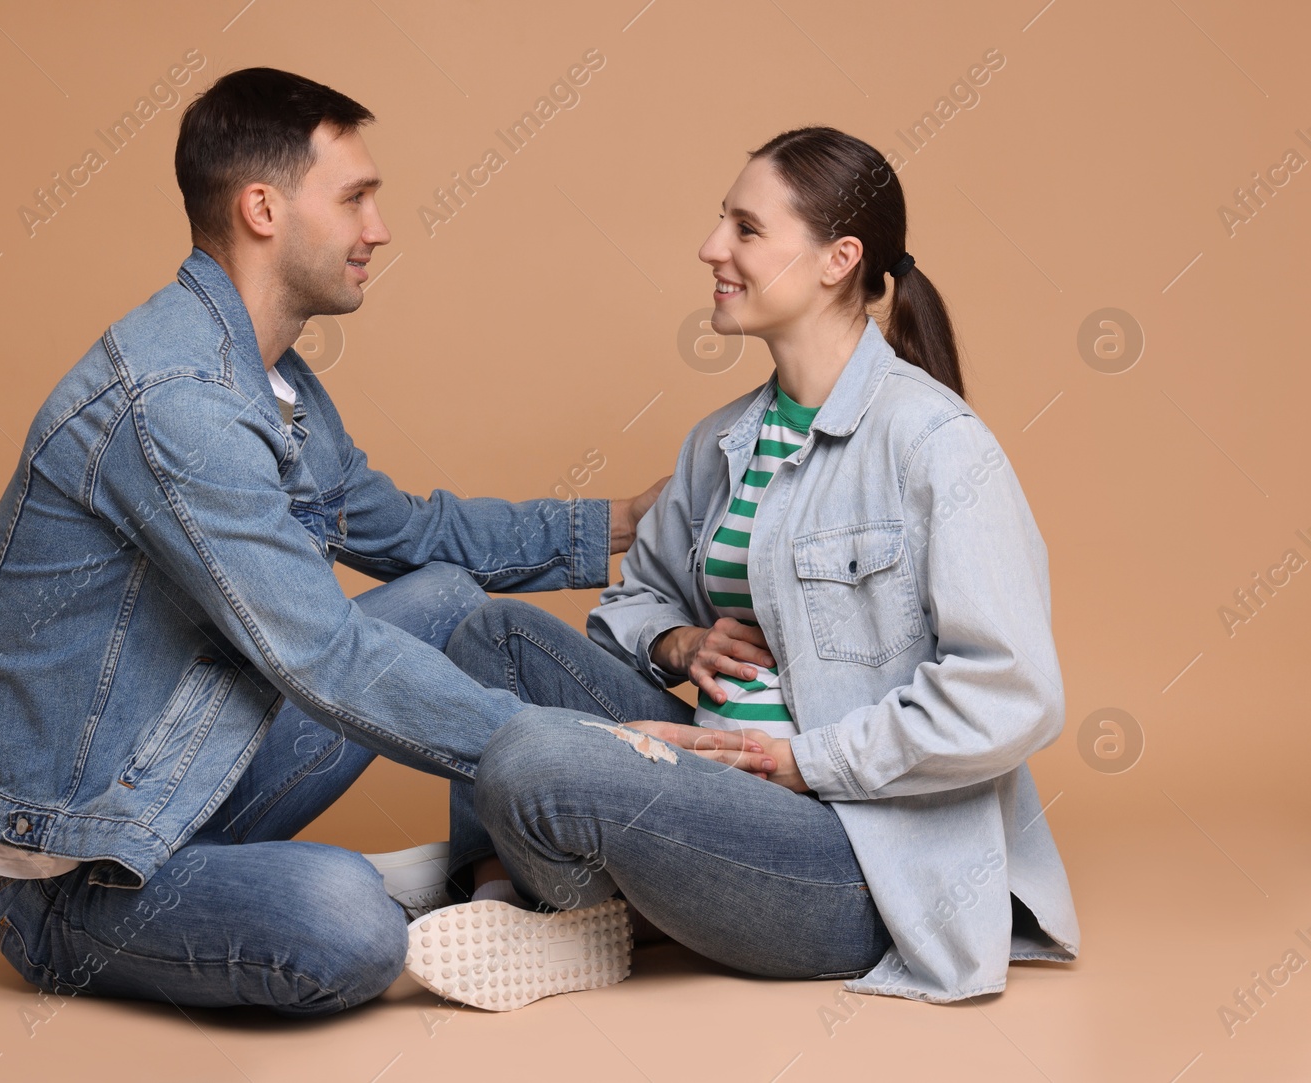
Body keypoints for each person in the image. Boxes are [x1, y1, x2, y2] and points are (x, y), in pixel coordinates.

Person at [0, 67, 673, 1017]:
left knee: (444, 594)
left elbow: (411, 533)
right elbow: (325, 653)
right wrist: (578, 752)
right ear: (263, 209)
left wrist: (622, 522)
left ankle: (478, 886)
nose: (381, 226)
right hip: (83, 863)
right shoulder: (178, 400)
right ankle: (393, 885)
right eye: (356, 196)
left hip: (183, 765)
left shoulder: (271, 382)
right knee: (347, 925)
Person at [438, 126, 1081, 1005]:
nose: (712, 249)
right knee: (487, 636)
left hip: (851, 861)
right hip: (710, 791)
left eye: (745, 228)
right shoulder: (721, 442)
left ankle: (566, 894)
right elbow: (631, 603)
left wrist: (798, 762)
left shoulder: (937, 446)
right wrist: (677, 642)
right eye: (721, 224)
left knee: (527, 756)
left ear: (836, 260)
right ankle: (505, 909)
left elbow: (1013, 691)